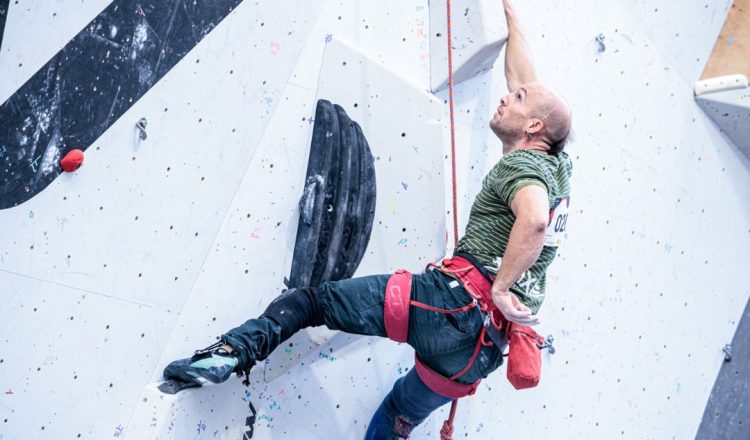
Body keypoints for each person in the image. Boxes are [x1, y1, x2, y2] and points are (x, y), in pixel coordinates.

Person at [161, 1, 572, 438]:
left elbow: (533, 221)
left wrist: (503, 286)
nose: (508, 96)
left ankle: (229, 351)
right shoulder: (559, 166)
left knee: (311, 304)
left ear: (532, 129)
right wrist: (511, 18)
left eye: (518, 100)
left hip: (448, 305)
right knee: (401, 412)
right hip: (478, 354)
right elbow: (526, 83)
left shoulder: (521, 169)